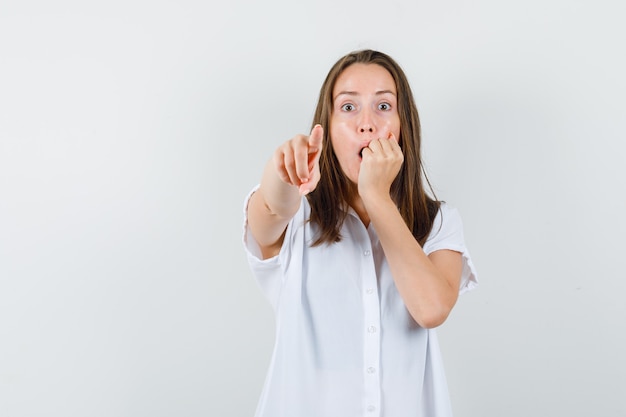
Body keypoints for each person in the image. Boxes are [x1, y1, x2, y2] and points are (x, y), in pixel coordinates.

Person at [242, 49, 478, 417]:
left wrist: (376, 196)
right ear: (329, 127)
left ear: (403, 126)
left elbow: (431, 309)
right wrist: (286, 170)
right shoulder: (299, 216)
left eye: (383, 107)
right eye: (348, 108)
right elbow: (272, 210)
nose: (366, 124)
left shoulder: (439, 221)